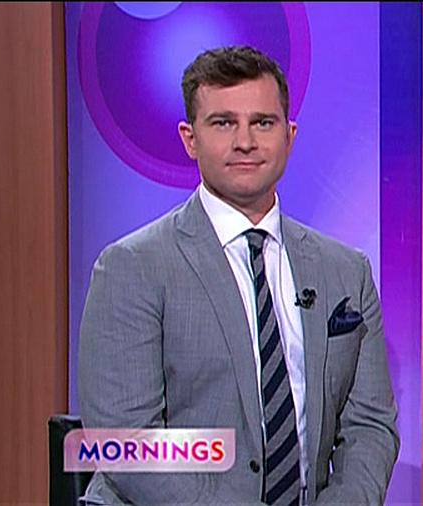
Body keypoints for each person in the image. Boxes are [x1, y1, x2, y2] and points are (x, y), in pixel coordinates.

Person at [78, 45, 399, 505]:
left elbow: (370, 425)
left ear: (289, 135)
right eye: (223, 123)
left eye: (262, 123)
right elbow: (127, 442)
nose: (245, 141)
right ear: (190, 138)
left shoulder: (347, 272)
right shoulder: (132, 267)